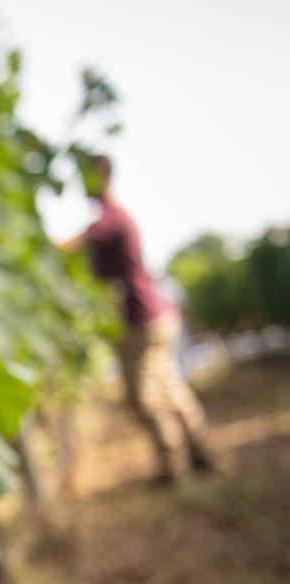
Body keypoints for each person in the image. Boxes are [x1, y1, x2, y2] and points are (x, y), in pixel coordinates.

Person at [61, 155, 214, 483]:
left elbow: (71, 246)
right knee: (170, 387)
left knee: (145, 395)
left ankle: (173, 467)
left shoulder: (110, 220)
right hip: (156, 315)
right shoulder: (117, 217)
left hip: (142, 319)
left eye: (86, 177)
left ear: (102, 175)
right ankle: (201, 453)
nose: (81, 185)